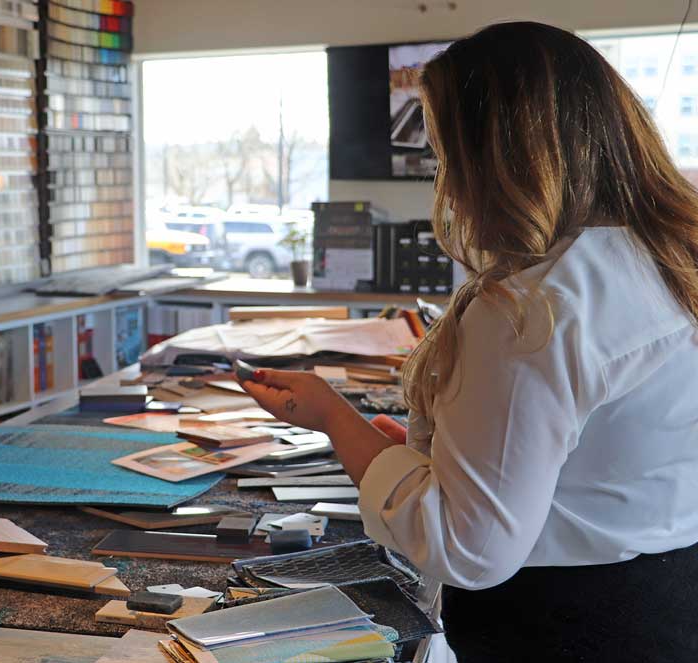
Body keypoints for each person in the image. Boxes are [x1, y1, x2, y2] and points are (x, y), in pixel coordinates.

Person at [241, 22, 698, 662]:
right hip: (667, 600)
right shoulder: (669, 258)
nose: (445, 176)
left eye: (444, 152)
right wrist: (444, 455)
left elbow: (469, 547)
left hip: (561, 627)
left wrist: (331, 417)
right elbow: (601, 456)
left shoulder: (530, 310)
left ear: (495, 157)